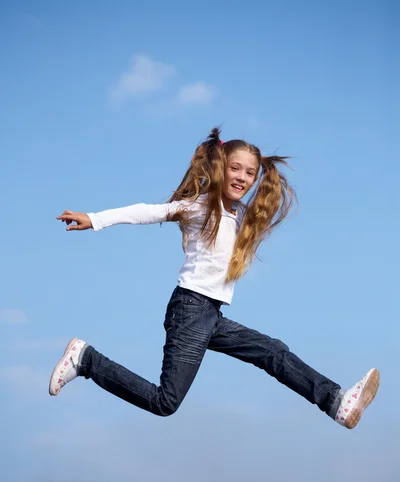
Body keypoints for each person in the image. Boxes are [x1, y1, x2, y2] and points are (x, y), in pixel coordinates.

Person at [49, 127, 379, 429]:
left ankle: (337, 402)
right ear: (221, 167)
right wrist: (95, 218)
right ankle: (86, 359)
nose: (242, 177)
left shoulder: (242, 217)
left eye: (250, 172)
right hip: (190, 310)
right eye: (235, 169)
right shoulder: (199, 206)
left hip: (211, 315)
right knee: (166, 403)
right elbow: (146, 212)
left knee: (272, 352)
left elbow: (267, 206)